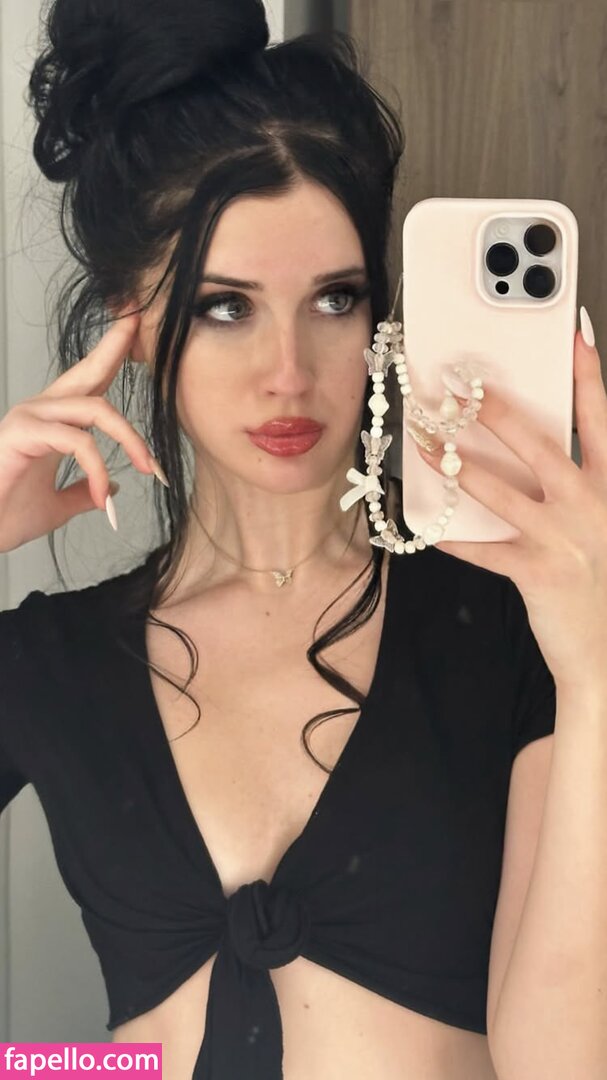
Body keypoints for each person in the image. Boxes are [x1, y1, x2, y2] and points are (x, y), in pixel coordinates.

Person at [0, 2, 556, 1078]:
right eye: (226, 307)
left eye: (334, 300)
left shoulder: (513, 624)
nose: (290, 372)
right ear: (129, 318)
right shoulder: (50, 662)